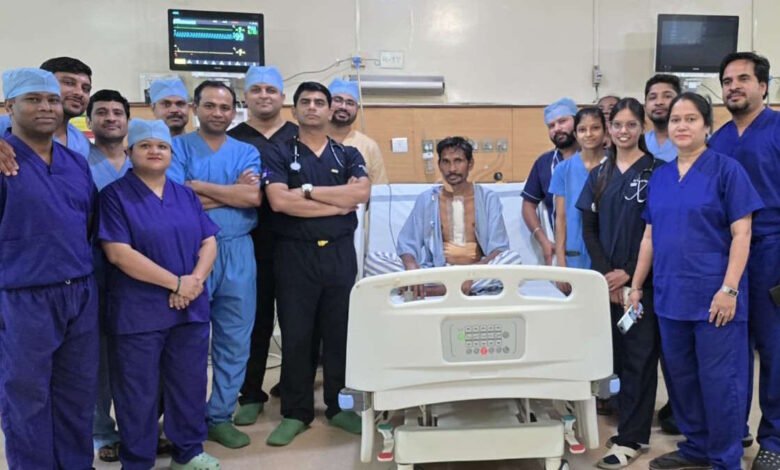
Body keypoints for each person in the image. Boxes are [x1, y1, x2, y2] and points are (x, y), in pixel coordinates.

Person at [631, 93, 763, 470]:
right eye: (676, 120)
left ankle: (725, 458)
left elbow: (742, 233)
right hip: (671, 296)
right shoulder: (660, 177)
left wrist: (729, 289)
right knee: (681, 378)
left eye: (691, 119)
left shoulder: (727, 171)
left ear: (707, 126)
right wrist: (637, 285)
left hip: (715, 298)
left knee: (721, 382)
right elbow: (649, 236)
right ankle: (698, 445)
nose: (682, 126)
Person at [99, 119, 221, 470]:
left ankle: (188, 453)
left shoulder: (185, 195)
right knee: (138, 391)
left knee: (189, 384)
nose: (155, 151)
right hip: (139, 311)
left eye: (162, 146)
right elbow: (118, 253)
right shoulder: (114, 197)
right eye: (145, 145)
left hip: (189, 308)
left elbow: (209, 241)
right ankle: (137, 460)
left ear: (171, 153)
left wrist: (194, 281)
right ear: (129, 152)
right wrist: (176, 284)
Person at [0, 67, 98, 469]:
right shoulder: (4, 160)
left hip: (80, 291)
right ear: (9, 107)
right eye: (33, 99)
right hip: (23, 296)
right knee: (27, 396)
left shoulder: (75, 163)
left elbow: (88, 223)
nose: (46, 107)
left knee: (77, 392)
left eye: (52, 100)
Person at [262, 81, 370, 446]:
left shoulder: (347, 154)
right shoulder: (279, 152)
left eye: (319, 102)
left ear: (329, 110)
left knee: (340, 333)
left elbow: (361, 192)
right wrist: (337, 205)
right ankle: (296, 412)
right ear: (294, 110)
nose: (312, 107)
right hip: (295, 255)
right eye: (305, 101)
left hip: (339, 254)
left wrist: (307, 192)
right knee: (297, 334)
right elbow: (279, 202)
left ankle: (341, 408)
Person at [168, 80, 262, 449]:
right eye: (210, 105)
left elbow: (252, 198)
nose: (218, 113)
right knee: (190, 342)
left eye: (225, 107)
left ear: (234, 111)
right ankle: (187, 420)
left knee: (235, 339)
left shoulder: (246, 150)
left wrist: (199, 187)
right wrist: (232, 192)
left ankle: (220, 416)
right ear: (195, 108)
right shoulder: (177, 147)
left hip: (239, 251)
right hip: (191, 254)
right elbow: (175, 200)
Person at [576, 97, 664, 469]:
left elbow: (657, 230)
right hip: (607, 285)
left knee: (640, 360)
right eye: (617, 125)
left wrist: (629, 274)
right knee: (616, 358)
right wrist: (608, 276)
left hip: (644, 283)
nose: (623, 131)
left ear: (643, 127)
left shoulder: (658, 172)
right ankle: (629, 425)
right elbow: (589, 228)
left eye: (631, 124)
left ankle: (633, 439)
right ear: (609, 129)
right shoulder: (601, 174)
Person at [708, 51, 780, 470]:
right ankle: (735, 428)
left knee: (774, 348)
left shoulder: (776, 130)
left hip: (772, 250)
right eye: (727, 80)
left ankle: (775, 439)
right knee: (732, 350)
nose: (733, 86)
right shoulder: (717, 141)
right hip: (728, 255)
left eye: (742, 79)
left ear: (763, 86)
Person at [364, 136, 521, 295]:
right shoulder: (427, 199)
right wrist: (411, 267)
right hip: (437, 272)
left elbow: (499, 249)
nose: (452, 168)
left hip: (476, 271)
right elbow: (408, 243)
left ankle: (432, 290)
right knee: (373, 260)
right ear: (439, 165)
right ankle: (454, 288)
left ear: (470, 164)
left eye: (458, 161)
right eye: (446, 162)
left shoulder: (488, 199)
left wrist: (474, 274)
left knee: (512, 259)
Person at [229, 65, 299, 424]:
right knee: (254, 322)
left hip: (296, 241)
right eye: (256, 90)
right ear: (246, 97)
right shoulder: (233, 139)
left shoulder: (299, 137)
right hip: (249, 243)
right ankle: (250, 392)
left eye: (271, 90)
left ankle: (293, 387)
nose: (264, 96)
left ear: (282, 97)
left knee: (297, 321)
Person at [86, 89, 133, 462]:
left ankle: (139, 429)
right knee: (97, 356)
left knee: (138, 358)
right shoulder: (76, 162)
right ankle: (102, 432)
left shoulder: (144, 159)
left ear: (128, 121)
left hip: (142, 273)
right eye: (102, 112)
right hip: (94, 268)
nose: (111, 118)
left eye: (118, 112)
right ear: (89, 120)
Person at [0, 57, 92, 175]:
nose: (79, 93)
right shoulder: (6, 124)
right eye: (69, 83)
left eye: (86, 89)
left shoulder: (81, 141)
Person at [521, 97, 579, 265]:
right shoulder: (544, 164)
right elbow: (528, 205)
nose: (557, 129)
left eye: (562, 121)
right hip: (561, 251)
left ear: (577, 121)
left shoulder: (596, 158)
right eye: (551, 126)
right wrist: (543, 240)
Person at [549, 107, 606, 272]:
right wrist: (561, 261)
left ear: (606, 130)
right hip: (575, 252)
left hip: (608, 251)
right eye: (582, 129)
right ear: (575, 134)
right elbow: (561, 218)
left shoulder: (615, 165)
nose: (589, 134)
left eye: (595, 128)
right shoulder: (563, 169)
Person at [328, 78, 388, 184]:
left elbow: (379, 187)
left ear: (357, 109)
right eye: (337, 100)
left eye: (350, 103)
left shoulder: (369, 146)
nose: (343, 107)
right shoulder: (312, 140)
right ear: (326, 104)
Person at [644, 74, 681, 162]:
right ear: (645, 105)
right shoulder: (639, 142)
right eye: (652, 97)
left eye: (667, 96)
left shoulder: (698, 141)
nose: (659, 102)